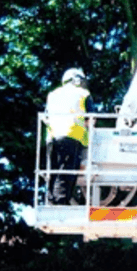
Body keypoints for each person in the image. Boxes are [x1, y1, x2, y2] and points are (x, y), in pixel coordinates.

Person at [44, 68, 94, 205]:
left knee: (53, 172)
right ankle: (61, 202)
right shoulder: (83, 94)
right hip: (72, 135)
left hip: (52, 137)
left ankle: (51, 201)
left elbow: (46, 117)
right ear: (77, 80)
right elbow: (91, 119)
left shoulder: (52, 94)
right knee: (66, 172)